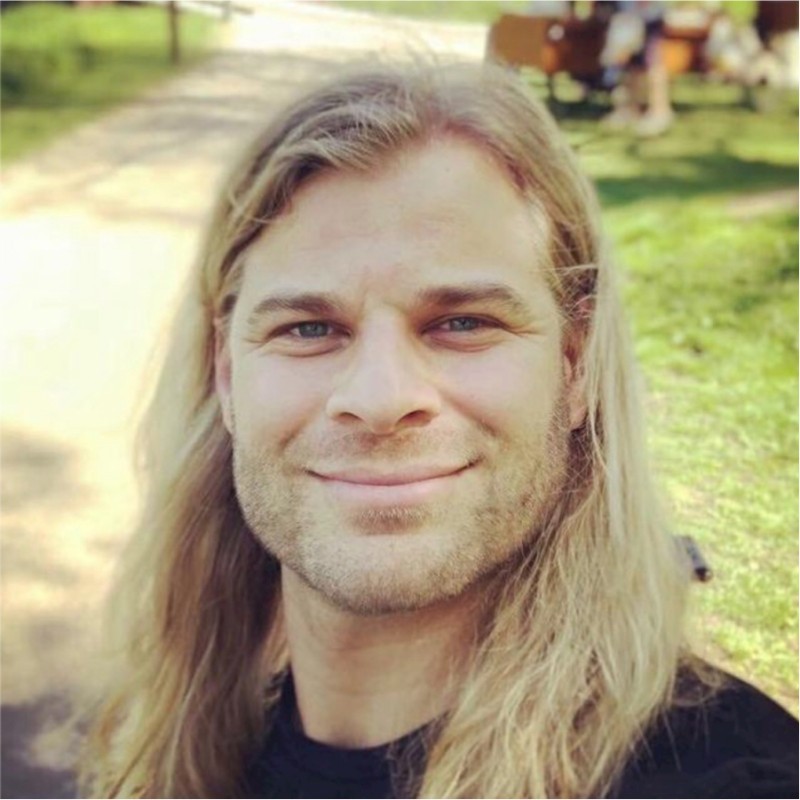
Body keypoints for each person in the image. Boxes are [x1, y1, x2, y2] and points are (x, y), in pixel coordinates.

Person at [79, 63, 797, 799]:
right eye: (308, 328)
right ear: (227, 375)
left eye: (463, 323)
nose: (380, 399)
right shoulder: (165, 739)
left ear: (575, 366)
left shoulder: (733, 778)